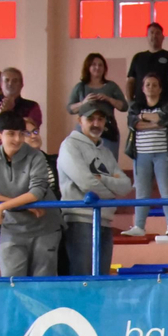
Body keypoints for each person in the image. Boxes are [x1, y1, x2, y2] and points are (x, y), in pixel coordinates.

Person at [0, 110, 59, 277]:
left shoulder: (35, 155)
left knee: (43, 282)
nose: (17, 139)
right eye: (11, 134)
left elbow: (37, 191)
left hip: (45, 226)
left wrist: (2, 207)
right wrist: (21, 206)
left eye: (20, 134)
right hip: (12, 228)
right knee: (11, 281)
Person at [57, 101, 132, 276]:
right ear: (79, 120)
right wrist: (111, 193)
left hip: (104, 222)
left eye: (100, 119)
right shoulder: (70, 146)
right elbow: (86, 183)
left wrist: (101, 179)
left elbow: (126, 185)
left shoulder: (105, 152)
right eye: (91, 119)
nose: (96, 123)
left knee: (101, 281)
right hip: (80, 221)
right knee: (83, 280)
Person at [123, 72, 168, 237]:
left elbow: (165, 120)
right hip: (141, 155)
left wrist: (145, 120)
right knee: (141, 191)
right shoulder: (135, 107)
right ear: (142, 88)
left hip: (164, 154)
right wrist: (153, 122)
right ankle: (139, 227)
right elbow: (134, 125)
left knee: (167, 190)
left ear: (160, 89)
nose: (151, 88)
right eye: (147, 84)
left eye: (155, 85)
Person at [67, 53, 127, 160]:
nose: (97, 67)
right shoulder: (80, 87)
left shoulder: (111, 86)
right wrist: (83, 102)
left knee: (109, 164)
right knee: (84, 163)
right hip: (84, 131)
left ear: (104, 68)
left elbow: (124, 106)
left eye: (100, 65)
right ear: (88, 67)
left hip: (107, 131)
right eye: (94, 64)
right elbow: (70, 108)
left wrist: (109, 99)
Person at [125, 22, 168, 105]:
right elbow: (131, 81)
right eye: (151, 33)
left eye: (158, 33)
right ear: (147, 36)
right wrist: (130, 102)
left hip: (164, 106)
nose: (154, 36)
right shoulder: (138, 57)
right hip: (140, 106)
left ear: (163, 37)